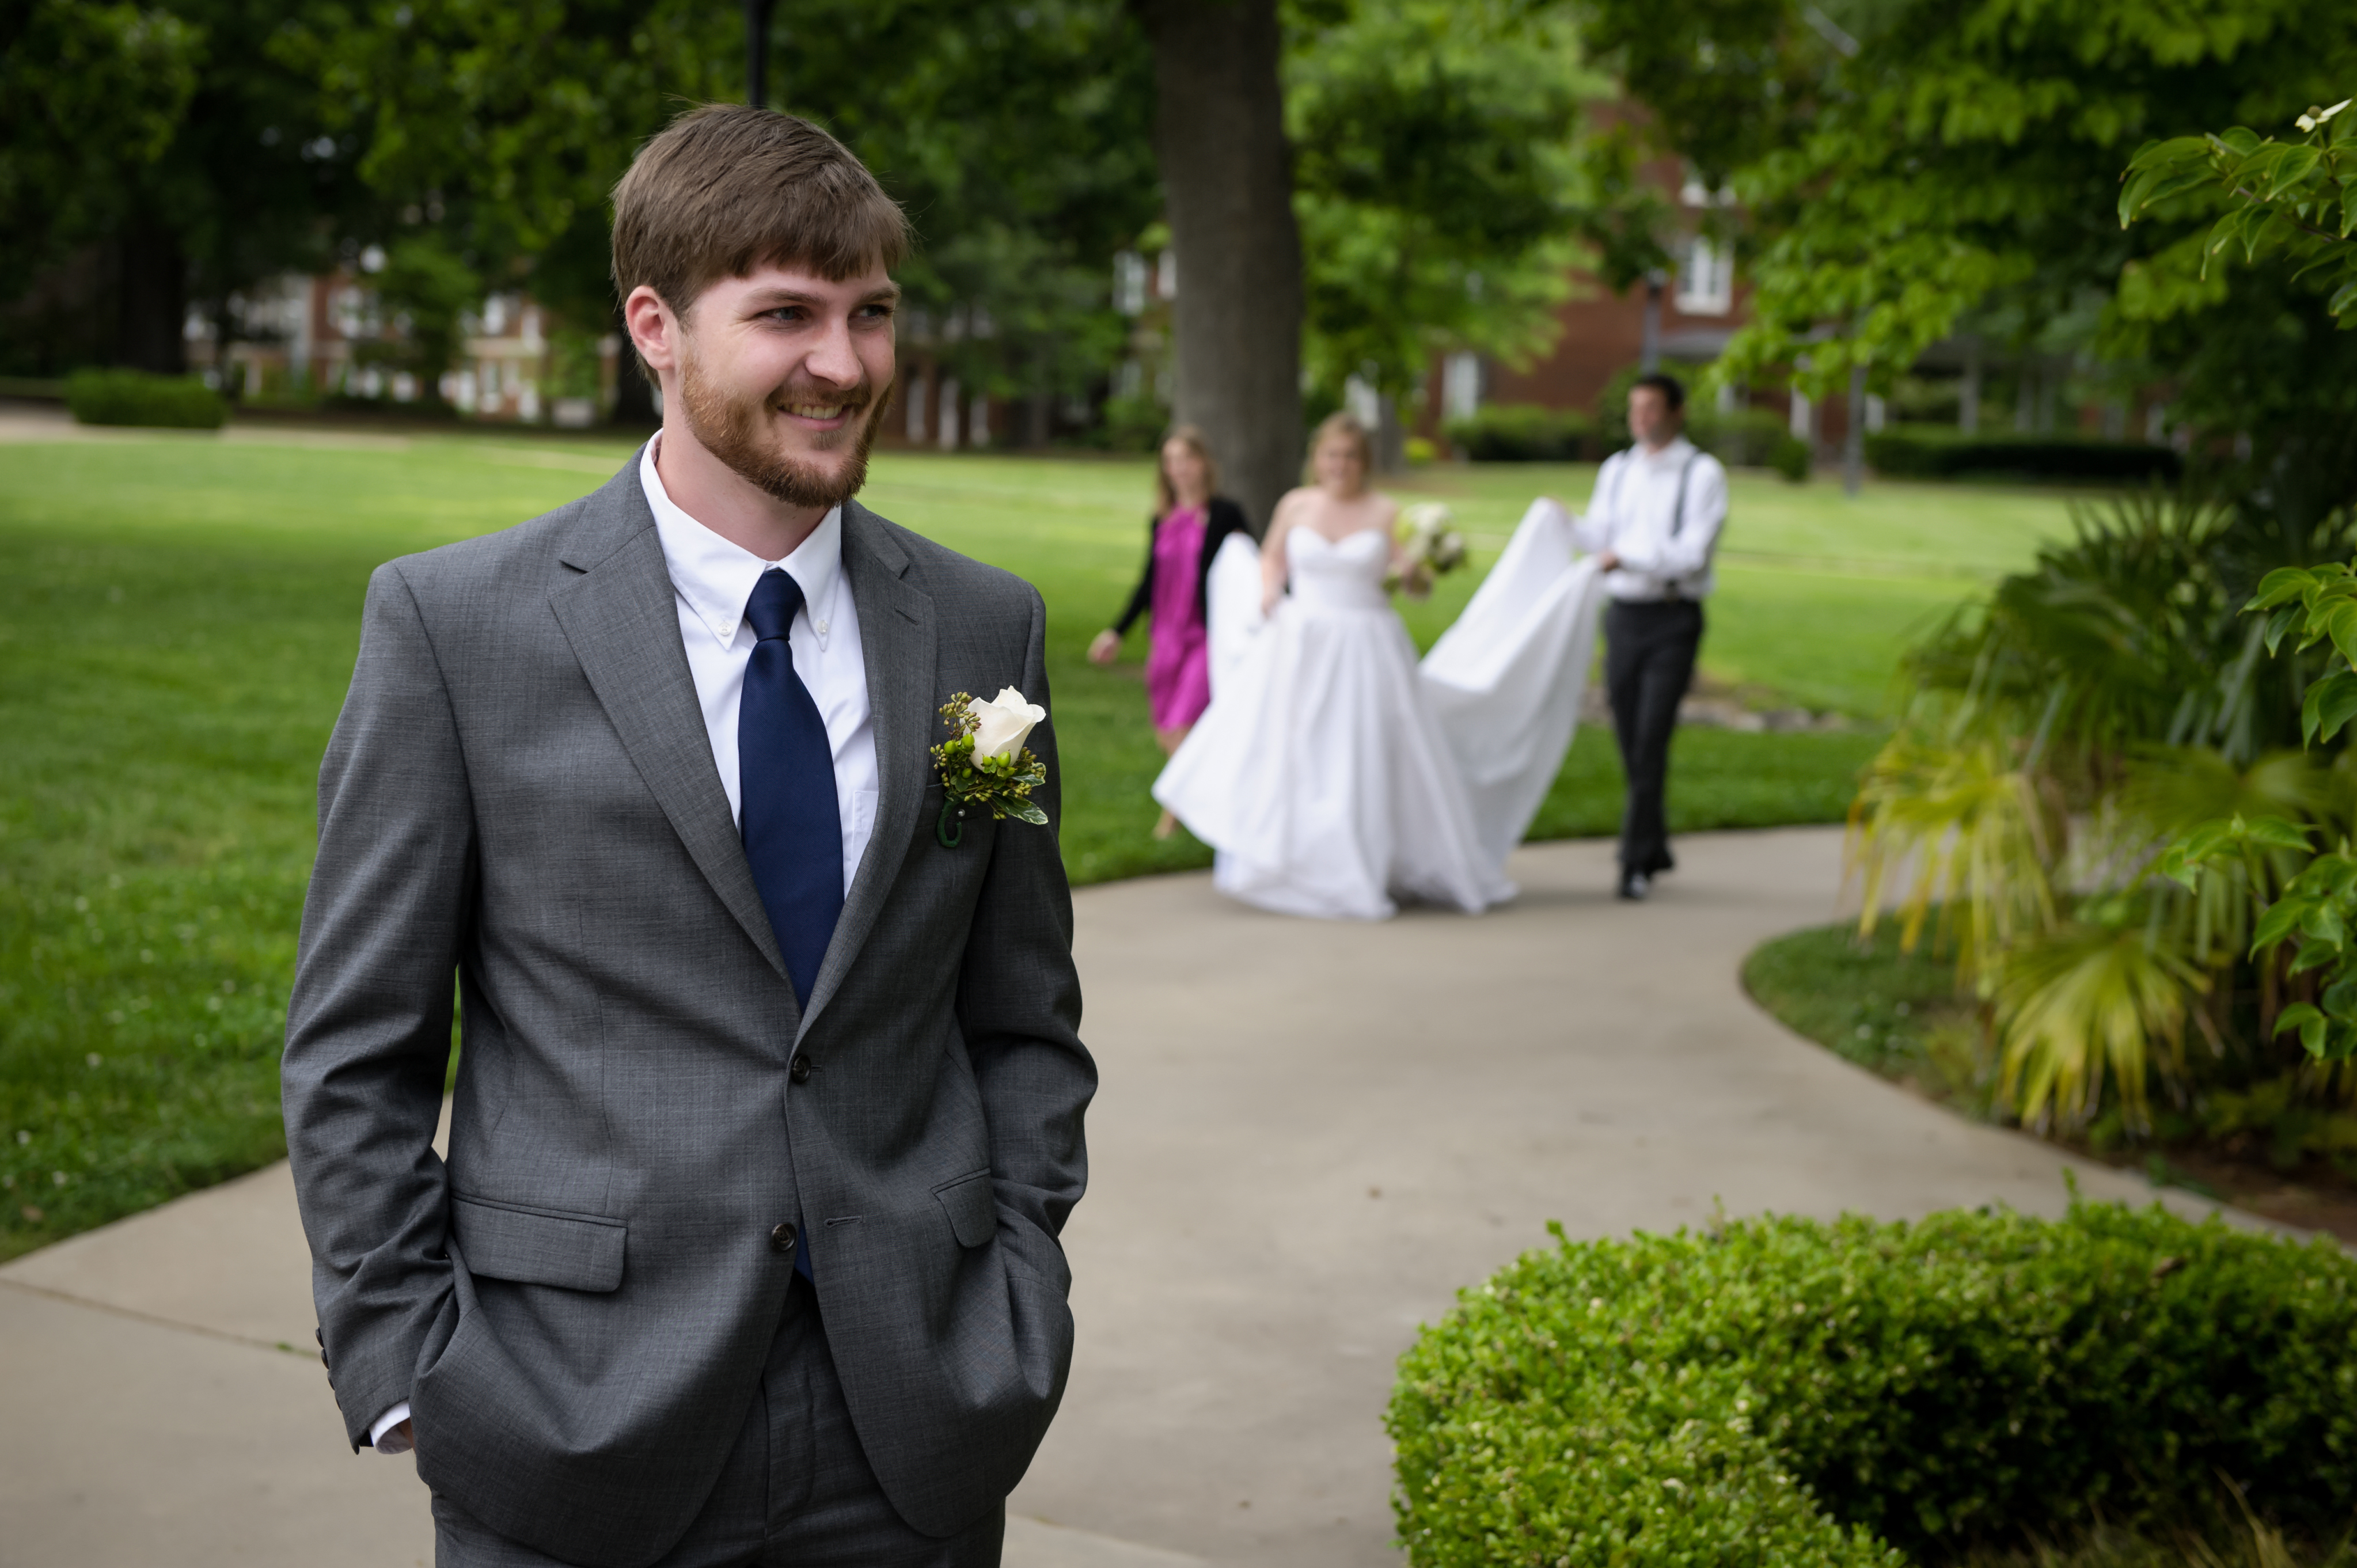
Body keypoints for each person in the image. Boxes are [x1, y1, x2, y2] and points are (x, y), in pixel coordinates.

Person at [281, 105, 1092, 1568]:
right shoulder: (454, 628)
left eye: (872, 315)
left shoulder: (987, 633)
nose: (844, 366)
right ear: (655, 326)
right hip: (568, 1425)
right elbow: (356, 1047)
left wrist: (1019, 1281)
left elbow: (1020, 1008)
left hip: (911, 1424)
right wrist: (410, 1372)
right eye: (785, 314)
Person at [1151, 412, 1533, 920]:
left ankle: (1370, 857)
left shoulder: (1385, 512)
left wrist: (1419, 571)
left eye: (1351, 456)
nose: (1340, 465)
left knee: (1363, 752)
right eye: (1332, 455)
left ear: (1364, 462)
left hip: (1367, 645)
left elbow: (1410, 586)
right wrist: (1268, 591)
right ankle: (1297, 858)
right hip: (1302, 640)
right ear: (1317, 459)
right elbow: (1271, 560)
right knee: (1298, 749)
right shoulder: (1296, 504)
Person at [1571, 371, 1729, 902]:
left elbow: (1691, 555)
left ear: (1676, 412)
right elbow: (1598, 532)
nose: (1641, 418)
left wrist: (1626, 556)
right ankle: (1655, 843)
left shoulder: (1702, 474)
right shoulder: (1616, 470)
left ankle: (1632, 862)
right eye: (1635, 408)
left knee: (1651, 738)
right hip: (1623, 617)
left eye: (1651, 408)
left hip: (1672, 617)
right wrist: (1557, 523)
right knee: (1628, 738)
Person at [1087, 426, 1252, 838]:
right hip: (1165, 637)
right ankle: (1202, 797)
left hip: (1205, 637)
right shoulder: (1162, 517)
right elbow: (1148, 581)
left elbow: (1249, 570)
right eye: (1171, 461)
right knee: (1165, 730)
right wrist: (1116, 631)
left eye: (1187, 459)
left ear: (1204, 464)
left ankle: (1174, 817)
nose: (1179, 469)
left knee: (1181, 726)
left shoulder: (1226, 514)